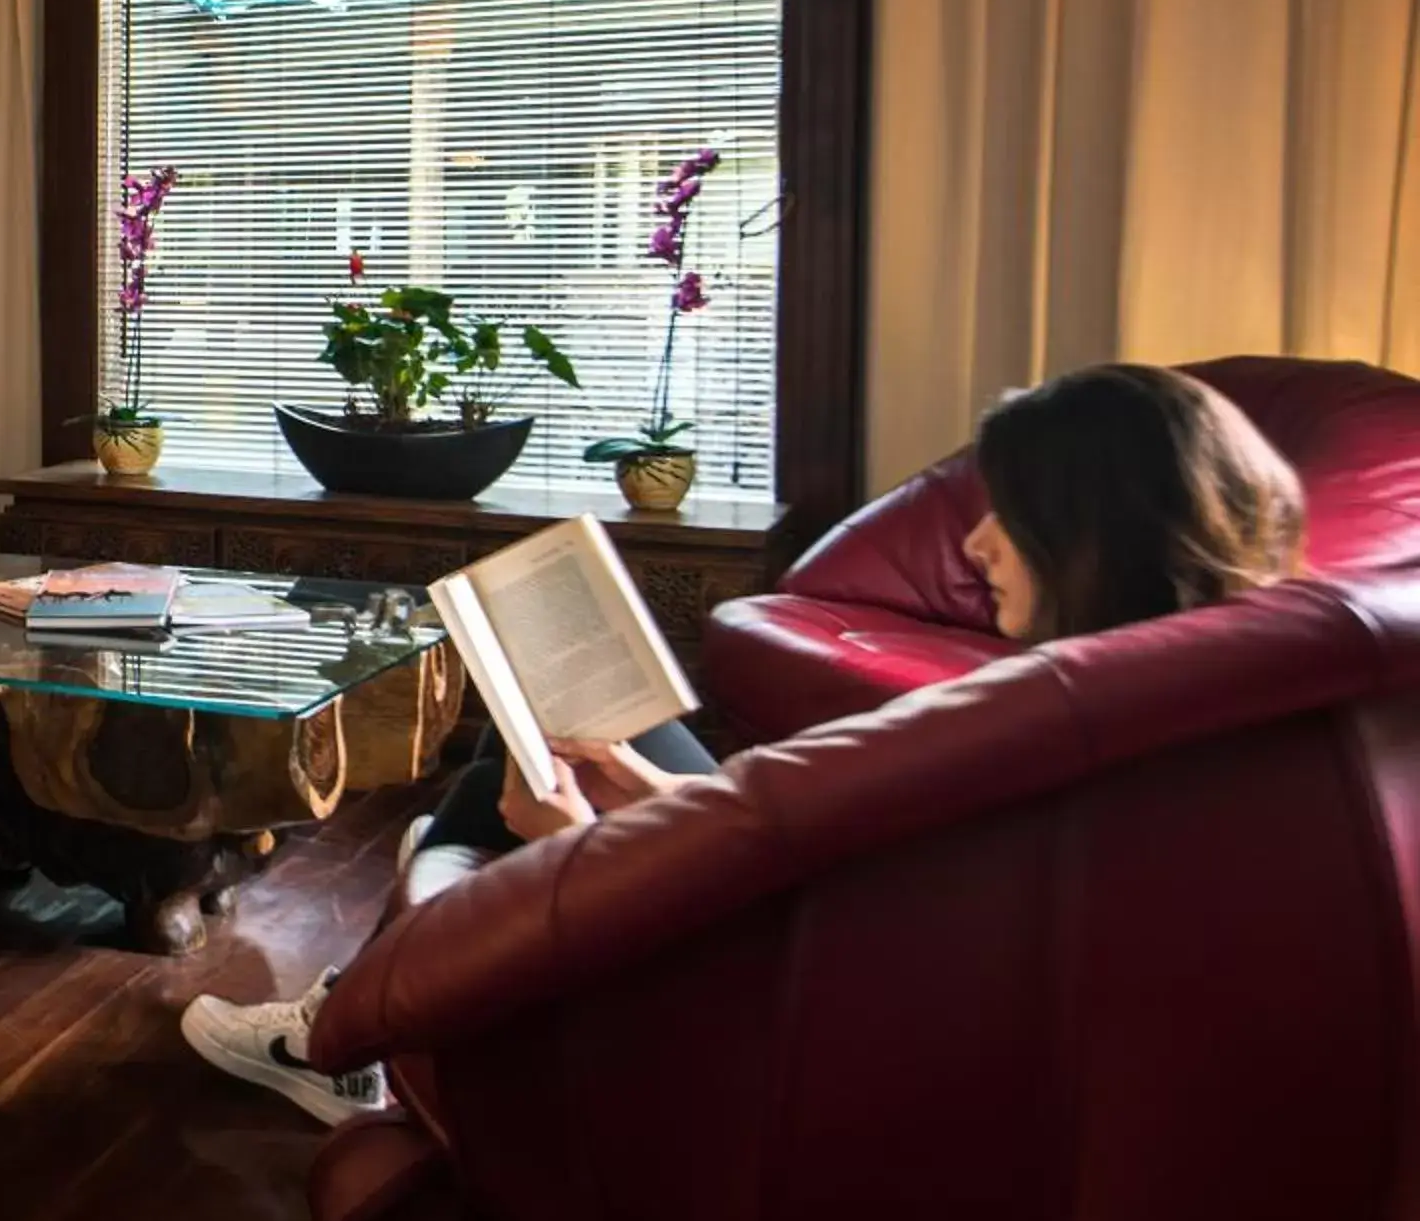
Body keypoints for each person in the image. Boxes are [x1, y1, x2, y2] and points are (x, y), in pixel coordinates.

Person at [181, 362, 1309, 1125]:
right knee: (581, 738)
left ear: (1093, 533)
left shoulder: (1050, 743)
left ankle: (347, 1035)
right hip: (821, 927)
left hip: (772, 1039)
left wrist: (579, 849)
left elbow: (826, 974)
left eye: (1008, 514)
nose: (971, 540)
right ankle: (353, 1021)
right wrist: (648, 802)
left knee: (507, 786)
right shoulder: (1199, 700)